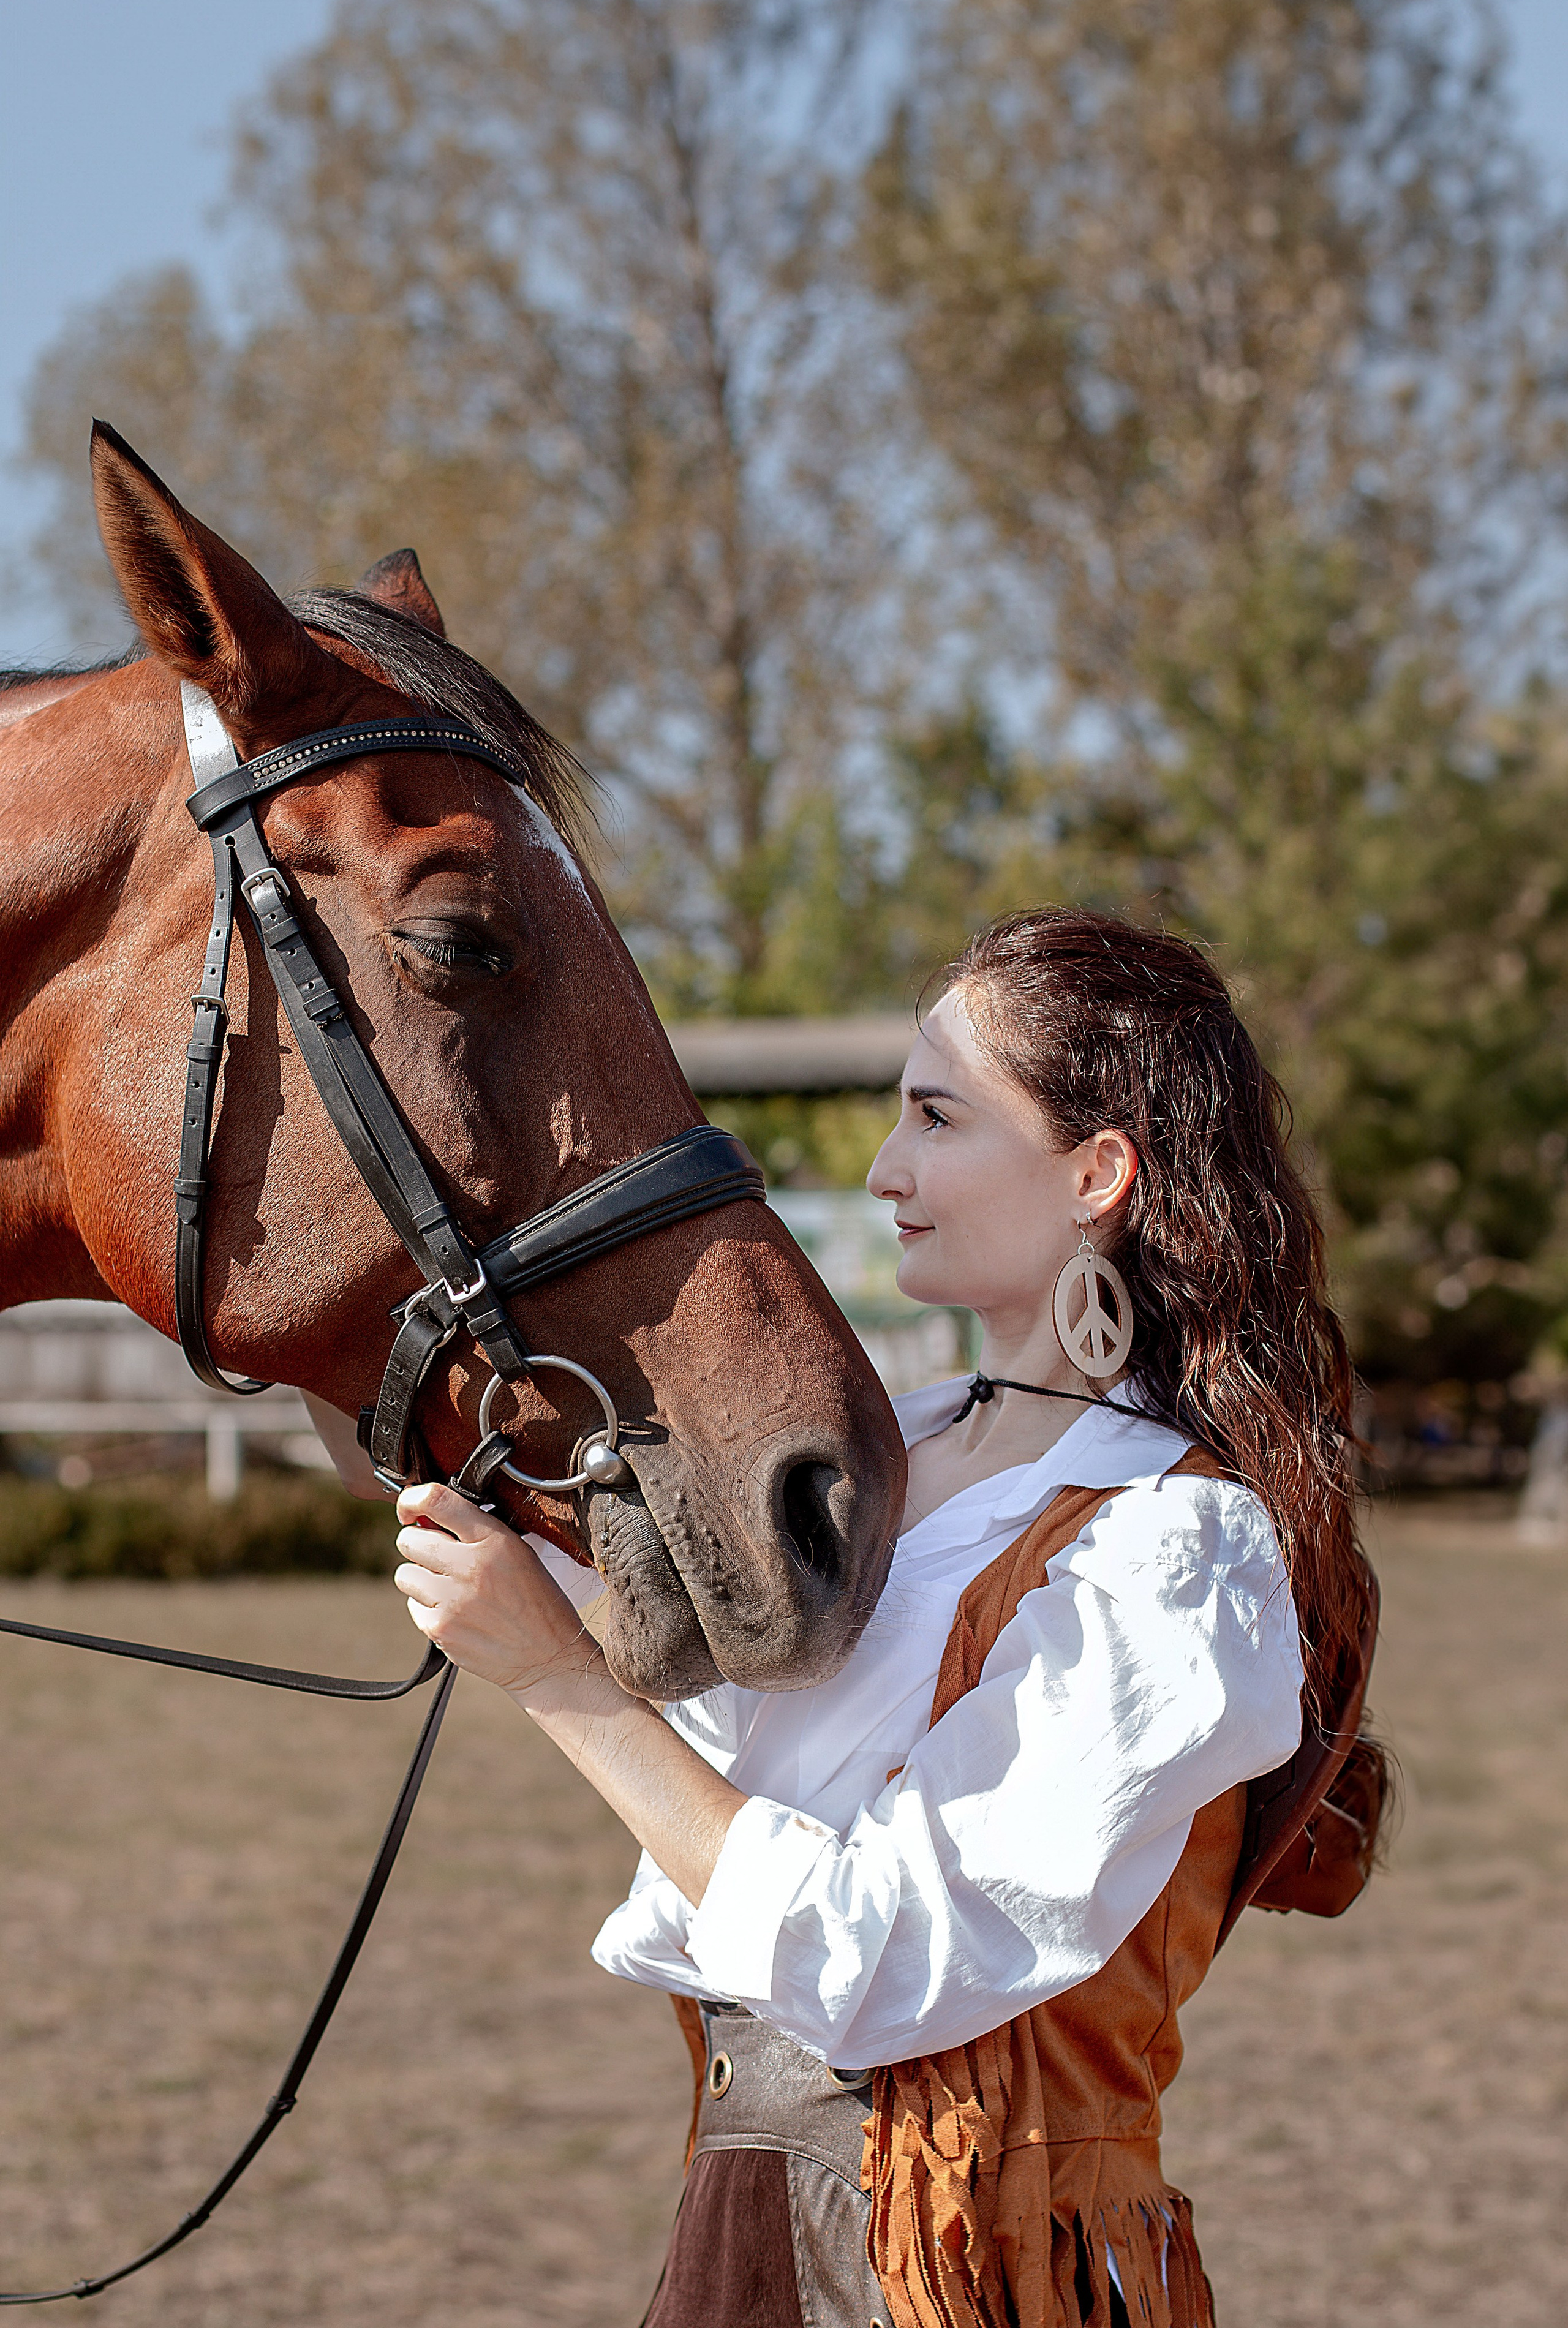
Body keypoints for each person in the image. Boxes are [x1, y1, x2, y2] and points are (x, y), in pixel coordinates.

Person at [380, 910, 1376, 2328]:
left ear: (1095, 1172)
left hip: (962, 2270)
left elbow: (882, 1963)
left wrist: (557, 1680)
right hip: (744, 2213)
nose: (881, 1171)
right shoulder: (877, 1458)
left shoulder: (1170, 1542)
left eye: (934, 1118)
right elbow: (729, 1774)